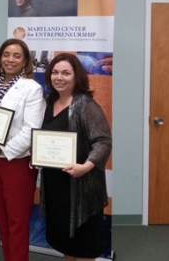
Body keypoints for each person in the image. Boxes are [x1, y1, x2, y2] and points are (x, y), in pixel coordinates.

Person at [0, 39, 46, 261]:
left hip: (18, 163)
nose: (10, 59)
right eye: (6, 54)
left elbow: (31, 130)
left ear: (25, 62)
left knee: (17, 222)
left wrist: (1, 149)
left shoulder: (32, 89)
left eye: (16, 55)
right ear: (0, 58)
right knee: (2, 220)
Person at [40, 53, 112, 261]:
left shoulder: (85, 105)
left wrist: (86, 166)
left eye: (65, 73)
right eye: (54, 72)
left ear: (76, 76)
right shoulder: (48, 102)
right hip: (56, 188)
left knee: (83, 247)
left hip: (81, 188)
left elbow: (104, 142)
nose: (59, 77)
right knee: (67, 246)